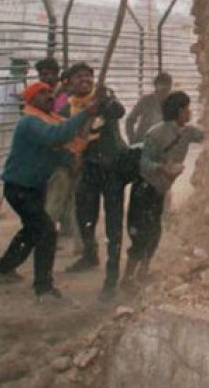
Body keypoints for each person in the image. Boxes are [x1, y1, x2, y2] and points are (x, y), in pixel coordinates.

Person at [0, 81, 98, 299]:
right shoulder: (30, 122)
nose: (50, 97)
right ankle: (43, 287)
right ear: (31, 100)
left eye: (50, 93)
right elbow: (56, 137)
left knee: (32, 230)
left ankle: (3, 269)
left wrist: (72, 158)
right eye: (43, 94)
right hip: (20, 187)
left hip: (33, 187)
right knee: (47, 231)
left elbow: (59, 146)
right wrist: (84, 114)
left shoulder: (49, 120)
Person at [122, 91, 203, 289]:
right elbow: (144, 163)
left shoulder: (188, 132)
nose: (190, 112)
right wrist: (163, 168)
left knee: (155, 232)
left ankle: (144, 272)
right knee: (140, 235)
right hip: (145, 188)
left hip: (160, 190)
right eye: (187, 108)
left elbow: (208, 136)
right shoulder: (156, 133)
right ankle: (127, 279)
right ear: (179, 110)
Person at [62, 62, 128, 300]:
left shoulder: (102, 95)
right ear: (68, 83)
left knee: (113, 221)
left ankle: (112, 275)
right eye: (78, 77)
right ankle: (90, 254)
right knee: (84, 215)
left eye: (88, 77)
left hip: (112, 167)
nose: (85, 81)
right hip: (88, 169)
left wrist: (103, 102)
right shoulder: (68, 109)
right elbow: (64, 135)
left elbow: (119, 111)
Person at [0, 57, 29, 155]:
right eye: (27, 68)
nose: (28, 71)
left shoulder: (5, 77)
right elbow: (21, 96)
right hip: (9, 118)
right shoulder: (18, 79)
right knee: (9, 147)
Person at [125, 72, 172, 144]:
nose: (165, 91)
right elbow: (130, 120)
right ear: (156, 86)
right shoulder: (146, 100)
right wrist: (132, 140)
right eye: (162, 88)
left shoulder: (173, 103)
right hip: (143, 143)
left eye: (167, 89)